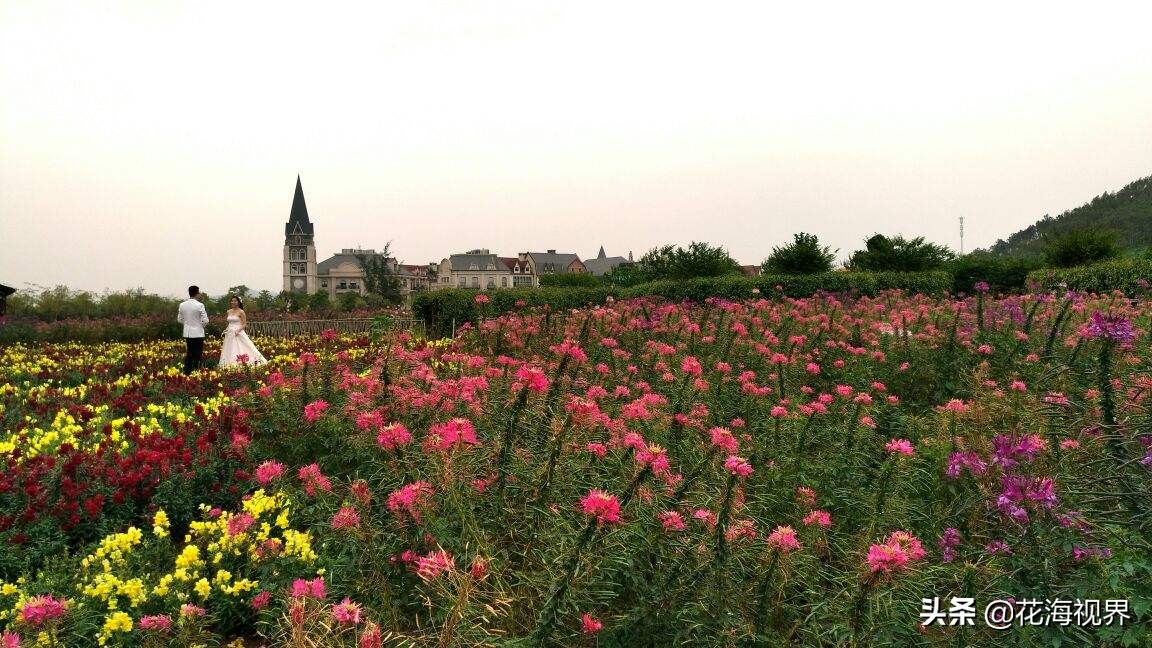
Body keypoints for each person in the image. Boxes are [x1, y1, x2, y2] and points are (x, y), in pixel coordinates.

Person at [219, 295, 267, 367]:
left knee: (244, 346)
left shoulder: (241, 312)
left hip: (238, 332)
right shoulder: (228, 311)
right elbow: (229, 322)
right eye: (232, 301)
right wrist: (226, 329)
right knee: (229, 348)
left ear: (238, 302)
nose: (233, 302)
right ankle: (228, 364)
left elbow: (244, 324)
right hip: (230, 332)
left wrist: (238, 330)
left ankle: (246, 361)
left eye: (235, 301)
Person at [177, 285, 209, 375]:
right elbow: (206, 320)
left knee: (189, 353)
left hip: (187, 333)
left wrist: (187, 324)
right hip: (198, 333)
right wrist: (200, 325)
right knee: (198, 354)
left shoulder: (182, 305)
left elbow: (179, 319)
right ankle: (197, 372)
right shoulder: (200, 305)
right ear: (197, 293)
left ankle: (187, 372)